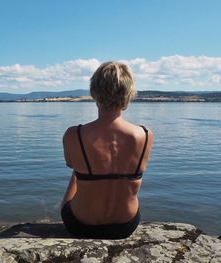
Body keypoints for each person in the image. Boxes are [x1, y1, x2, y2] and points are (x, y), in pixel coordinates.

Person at [61, 61, 153, 239]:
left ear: (94, 93)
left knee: (78, 171)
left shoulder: (74, 134)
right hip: (126, 226)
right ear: (128, 95)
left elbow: (71, 163)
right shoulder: (145, 135)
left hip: (81, 225)